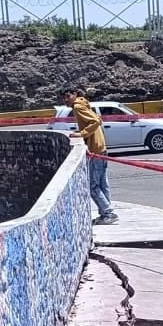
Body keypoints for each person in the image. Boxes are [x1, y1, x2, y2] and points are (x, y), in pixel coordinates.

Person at [64, 86, 116, 225]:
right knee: (102, 183)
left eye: (67, 96)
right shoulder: (83, 103)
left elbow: (95, 121)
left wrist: (81, 134)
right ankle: (106, 213)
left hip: (95, 149)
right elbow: (96, 120)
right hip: (101, 147)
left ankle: (108, 212)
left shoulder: (77, 107)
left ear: (75, 94)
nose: (65, 100)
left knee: (93, 185)